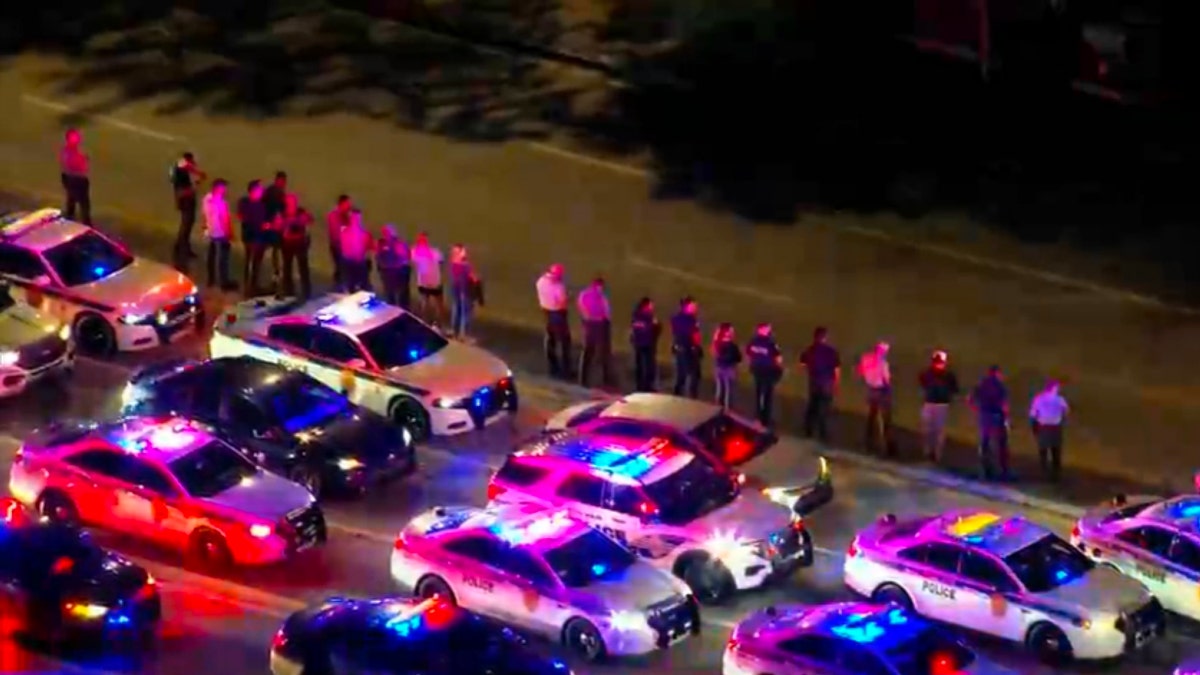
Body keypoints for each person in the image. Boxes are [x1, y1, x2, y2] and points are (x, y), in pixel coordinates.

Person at [969, 365, 1011, 481]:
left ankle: (985, 469)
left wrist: (977, 409)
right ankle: (1001, 470)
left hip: (984, 416)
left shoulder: (982, 384)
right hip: (997, 417)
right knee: (1000, 443)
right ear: (997, 373)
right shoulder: (1000, 386)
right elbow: (1004, 405)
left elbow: (970, 399)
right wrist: (1007, 419)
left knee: (985, 442)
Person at [799, 326, 840, 443]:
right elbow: (836, 370)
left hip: (814, 383)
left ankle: (808, 431)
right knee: (824, 409)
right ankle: (823, 433)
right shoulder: (831, 352)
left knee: (812, 406)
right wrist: (836, 384)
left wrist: (811, 370)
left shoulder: (809, 350)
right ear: (825, 338)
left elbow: (802, 365)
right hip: (827, 383)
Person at [918, 350, 959, 462]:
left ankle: (935, 454)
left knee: (938, 430)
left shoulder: (948, 376)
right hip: (931, 403)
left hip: (941, 405)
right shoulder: (928, 374)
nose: (938, 364)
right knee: (928, 429)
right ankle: (928, 452)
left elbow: (954, 389)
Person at [857, 341, 894, 455]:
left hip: (871, 390)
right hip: (881, 391)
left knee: (871, 417)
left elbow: (860, 371)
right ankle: (886, 446)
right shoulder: (883, 363)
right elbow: (886, 380)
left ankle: (868, 442)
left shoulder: (866, 359)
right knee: (885, 419)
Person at [1029, 379, 1069, 481]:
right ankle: (1056, 474)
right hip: (1055, 427)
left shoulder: (1038, 398)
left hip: (1043, 427)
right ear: (1053, 388)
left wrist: (1034, 427)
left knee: (1043, 450)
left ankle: (1044, 472)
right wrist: (1062, 420)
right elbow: (1065, 412)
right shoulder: (1060, 399)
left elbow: (1033, 414)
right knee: (1056, 450)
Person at [577, 277, 613, 388]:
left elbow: (581, 307)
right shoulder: (601, 297)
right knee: (603, 353)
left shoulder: (583, 294)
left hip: (588, 325)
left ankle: (582, 378)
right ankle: (606, 379)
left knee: (587, 352)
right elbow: (607, 312)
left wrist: (587, 316)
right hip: (599, 325)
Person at [536, 264, 571, 378]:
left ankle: (552, 367)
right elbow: (562, 303)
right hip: (557, 314)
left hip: (546, 312)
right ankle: (566, 370)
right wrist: (568, 298)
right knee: (564, 342)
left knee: (550, 339)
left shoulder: (540, 281)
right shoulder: (558, 287)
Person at [170, 151, 206, 258]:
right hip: (186, 199)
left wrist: (198, 175)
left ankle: (179, 246)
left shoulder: (178, 169)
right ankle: (183, 248)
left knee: (185, 224)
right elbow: (189, 188)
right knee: (187, 224)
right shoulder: (182, 171)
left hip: (183, 198)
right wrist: (198, 179)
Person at [746, 323, 783, 426]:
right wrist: (779, 370)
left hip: (757, 370)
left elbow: (748, 353)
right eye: (768, 329)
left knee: (759, 393)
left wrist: (753, 363)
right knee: (768, 395)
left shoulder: (753, 341)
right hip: (768, 371)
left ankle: (758, 416)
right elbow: (778, 358)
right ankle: (765, 419)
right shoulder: (770, 343)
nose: (770, 331)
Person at [277, 193, 313, 299]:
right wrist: (285, 224)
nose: (292, 204)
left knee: (303, 267)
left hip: (300, 243)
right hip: (287, 244)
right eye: (290, 202)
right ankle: (289, 290)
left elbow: (309, 219)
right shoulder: (282, 213)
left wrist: (304, 219)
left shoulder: (300, 211)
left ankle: (306, 290)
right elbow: (278, 226)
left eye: (294, 202)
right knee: (287, 267)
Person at [237, 180, 268, 296]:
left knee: (256, 263)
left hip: (260, 238)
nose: (262, 191)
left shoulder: (261, 204)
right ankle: (249, 287)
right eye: (260, 189)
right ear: (253, 191)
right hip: (251, 238)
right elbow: (245, 219)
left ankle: (254, 285)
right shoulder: (246, 204)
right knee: (251, 262)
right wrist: (261, 225)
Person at [201, 179, 233, 290]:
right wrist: (229, 233)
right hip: (221, 233)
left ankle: (211, 279)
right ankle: (224, 282)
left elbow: (204, 215)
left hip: (210, 232)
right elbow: (224, 220)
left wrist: (205, 228)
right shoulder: (221, 203)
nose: (225, 191)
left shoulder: (206, 199)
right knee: (223, 259)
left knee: (211, 256)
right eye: (223, 189)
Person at [670, 298, 702, 398]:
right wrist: (696, 347)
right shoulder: (691, 320)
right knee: (693, 374)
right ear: (686, 307)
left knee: (681, 374)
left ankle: (677, 395)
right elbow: (695, 336)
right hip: (689, 349)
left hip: (679, 348)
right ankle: (691, 397)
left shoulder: (675, 318)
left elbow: (675, 332)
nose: (695, 308)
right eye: (693, 306)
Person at [261, 171, 289, 288]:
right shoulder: (272, 192)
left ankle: (276, 273)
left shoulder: (277, 192)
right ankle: (275, 273)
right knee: (273, 249)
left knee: (275, 250)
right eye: (281, 181)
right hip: (271, 226)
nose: (283, 184)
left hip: (276, 226)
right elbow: (267, 207)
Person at [411, 232, 446, 326]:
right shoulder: (435, 252)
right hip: (435, 282)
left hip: (423, 283)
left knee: (424, 302)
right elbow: (441, 262)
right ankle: (438, 323)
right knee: (438, 304)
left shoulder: (415, 252)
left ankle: (425, 322)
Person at [59, 128, 91, 225]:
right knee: (83, 203)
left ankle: (71, 220)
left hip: (72, 178)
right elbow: (77, 167)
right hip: (77, 179)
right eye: (75, 137)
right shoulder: (70, 152)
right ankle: (85, 223)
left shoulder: (68, 151)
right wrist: (83, 160)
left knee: (72, 200)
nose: (78, 139)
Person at [376, 226, 411, 309]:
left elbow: (406, 256)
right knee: (390, 294)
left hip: (398, 272)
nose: (385, 235)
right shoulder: (381, 244)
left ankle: (403, 309)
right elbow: (378, 257)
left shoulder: (399, 244)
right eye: (384, 233)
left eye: (387, 232)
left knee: (401, 293)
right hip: (388, 272)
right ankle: (392, 308)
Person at [629, 297, 660, 392]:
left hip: (638, 344)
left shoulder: (635, 316)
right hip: (647, 344)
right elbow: (653, 329)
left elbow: (633, 329)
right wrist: (656, 325)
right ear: (645, 306)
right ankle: (647, 386)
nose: (652, 307)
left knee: (640, 365)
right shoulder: (648, 317)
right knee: (648, 366)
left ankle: (640, 385)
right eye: (650, 305)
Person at [339, 210, 373, 293]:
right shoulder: (362, 233)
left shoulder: (346, 231)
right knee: (356, 284)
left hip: (354, 261)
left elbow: (368, 247)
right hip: (354, 261)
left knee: (356, 284)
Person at [448, 244, 477, 340]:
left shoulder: (453, 264)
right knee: (466, 313)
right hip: (465, 291)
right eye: (463, 251)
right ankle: (464, 335)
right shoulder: (465, 266)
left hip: (456, 289)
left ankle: (454, 331)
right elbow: (473, 278)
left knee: (456, 310)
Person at [326, 195, 353, 290]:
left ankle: (339, 285)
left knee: (343, 268)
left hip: (345, 247)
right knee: (341, 267)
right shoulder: (334, 216)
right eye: (347, 204)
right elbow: (336, 233)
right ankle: (338, 286)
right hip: (337, 247)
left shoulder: (347, 216)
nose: (349, 206)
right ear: (341, 204)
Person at [712, 323, 741, 408]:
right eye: (731, 330)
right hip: (729, 368)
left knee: (719, 389)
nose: (733, 332)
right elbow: (738, 358)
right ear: (727, 332)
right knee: (729, 390)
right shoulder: (731, 346)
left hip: (718, 367)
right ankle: (727, 409)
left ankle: (717, 407)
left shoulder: (717, 343)